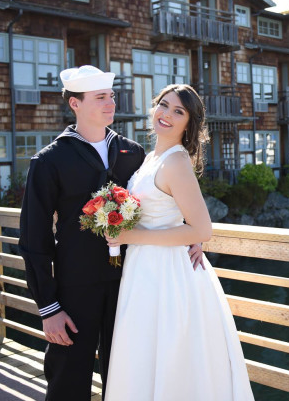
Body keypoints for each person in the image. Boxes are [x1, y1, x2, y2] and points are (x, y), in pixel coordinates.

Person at [19, 66, 203, 400]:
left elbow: (164, 198)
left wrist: (193, 235)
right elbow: (34, 239)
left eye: (111, 96)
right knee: (68, 379)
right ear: (75, 103)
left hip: (133, 284)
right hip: (75, 288)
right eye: (100, 97)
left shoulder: (133, 153)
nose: (110, 103)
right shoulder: (49, 161)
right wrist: (48, 307)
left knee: (126, 378)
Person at [104, 83, 254, 401]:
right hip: (143, 270)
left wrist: (132, 236)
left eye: (178, 111)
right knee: (144, 355)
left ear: (189, 124)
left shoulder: (176, 161)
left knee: (171, 358)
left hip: (167, 275)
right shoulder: (150, 159)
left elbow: (202, 229)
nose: (166, 114)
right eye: (163, 104)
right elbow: (176, 216)